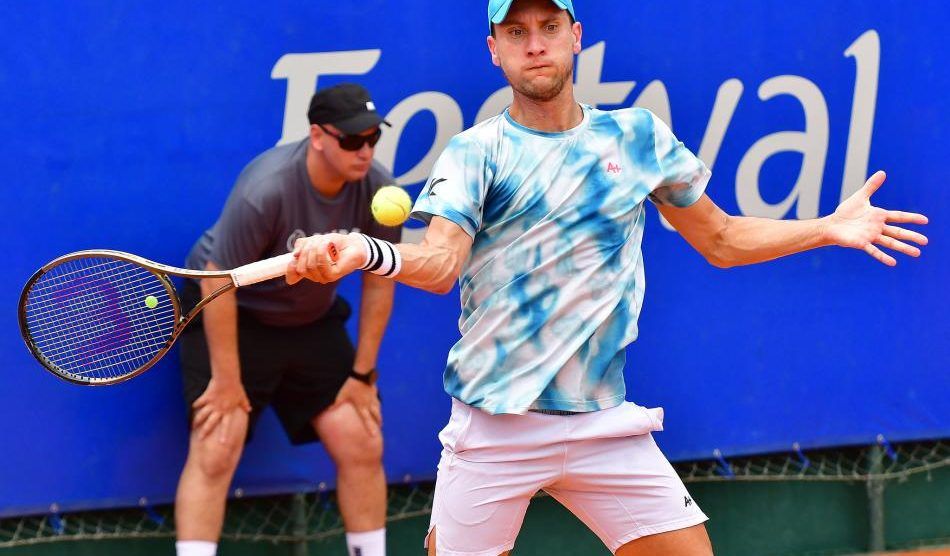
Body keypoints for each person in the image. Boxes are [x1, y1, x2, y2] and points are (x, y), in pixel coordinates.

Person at [286, 1, 930, 555]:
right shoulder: (475, 153)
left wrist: (824, 228)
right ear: (494, 51)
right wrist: (367, 251)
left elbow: (723, 239)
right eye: (515, 32)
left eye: (547, 25)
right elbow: (440, 263)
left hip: (602, 423)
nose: (534, 43)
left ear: (576, 35)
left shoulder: (637, 137)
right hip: (494, 427)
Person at [174, 83, 400, 556]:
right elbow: (217, 280)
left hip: (310, 320)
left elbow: (380, 283)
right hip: (236, 312)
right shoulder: (267, 187)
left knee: (361, 438)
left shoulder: (378, 189)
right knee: (218, 441)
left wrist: (362, 375)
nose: (366, 151)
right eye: (353, 140)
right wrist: (229, 382)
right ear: (318, 136)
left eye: (373, 138)